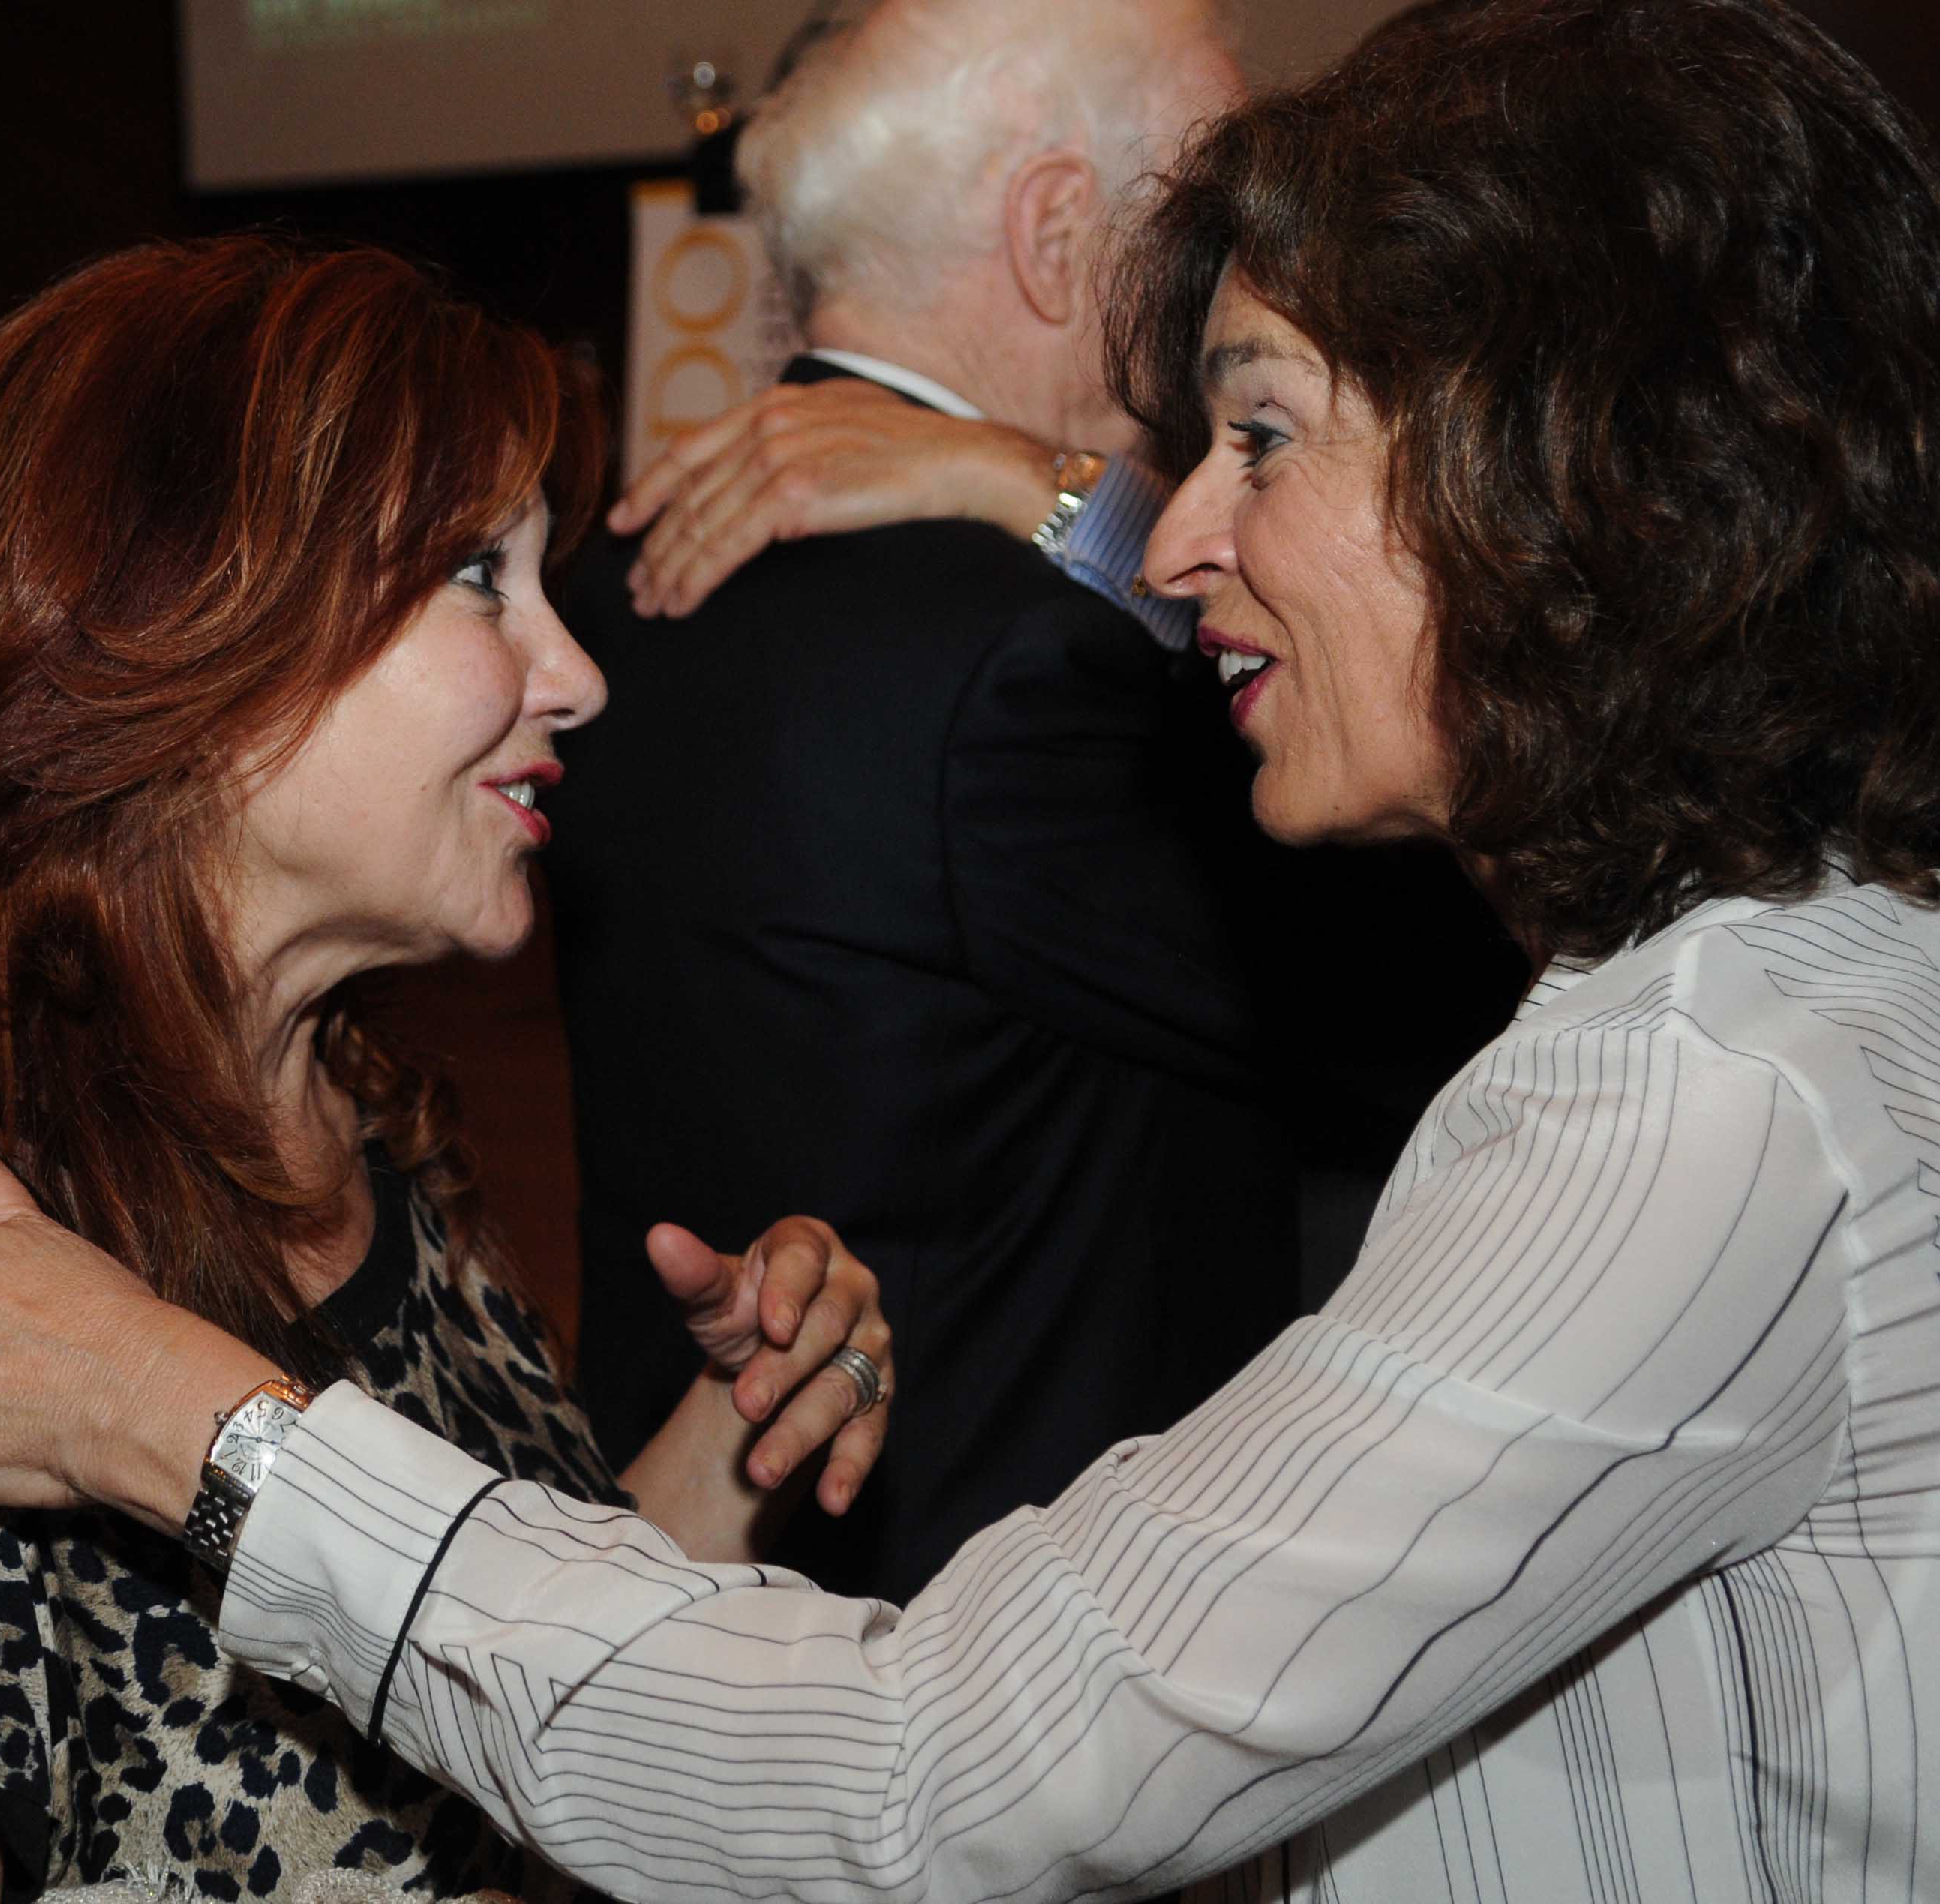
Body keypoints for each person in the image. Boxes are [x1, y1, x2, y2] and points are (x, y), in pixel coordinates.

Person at [0, 0, 1940, 1895]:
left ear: (1572, 472)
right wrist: (701, 1462)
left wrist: (187, 1422)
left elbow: (940, 1761)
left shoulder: (1698, 1085)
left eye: (1259, 437)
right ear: (190, 643)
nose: (1180, 537)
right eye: (473, 579)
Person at [0, 238, 896, 1902]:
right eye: (478, 573)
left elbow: (501, 1686)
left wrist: (744, 1428)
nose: (579, 673)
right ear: (191, 626)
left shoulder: (355, 1110)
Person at [548, 0, 1299, 1601]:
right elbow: (1390, 1013)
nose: (1241, 271)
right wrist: (1072, 499)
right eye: (1207, 216)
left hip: (691, 1554)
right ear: (1056, 235)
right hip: (1010, 1623)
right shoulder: (1026, 658)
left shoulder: (612, 577)